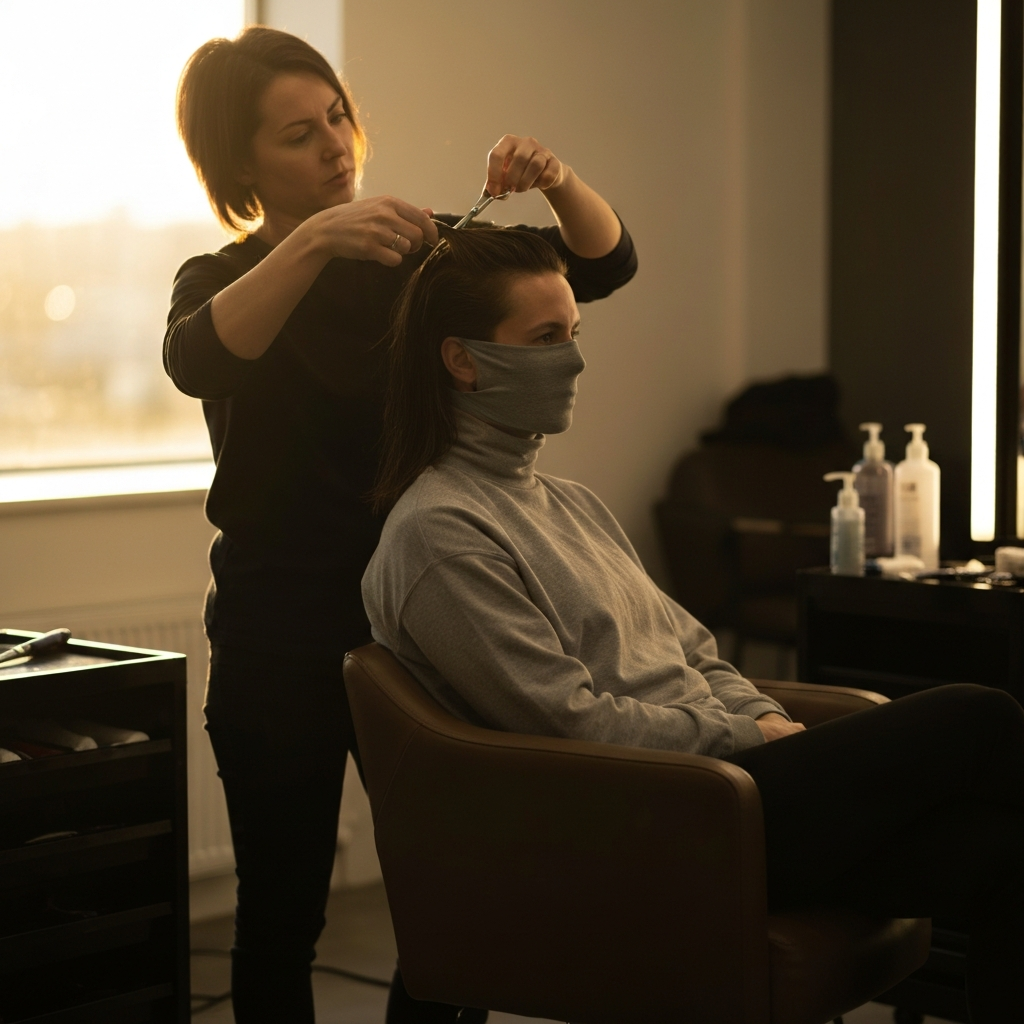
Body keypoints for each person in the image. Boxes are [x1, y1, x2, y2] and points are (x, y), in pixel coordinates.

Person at [361, 227, 1024, 1024]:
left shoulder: (571, 502)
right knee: (978, 716)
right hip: (657, 821)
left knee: (1003, 856)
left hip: (730, 791)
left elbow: (692, 650)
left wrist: (763, 717)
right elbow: (565, 723)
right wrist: (744, 743)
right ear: (462, 360)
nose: (573, 361)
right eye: (545, 339)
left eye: (576, 334)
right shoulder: (439, 532)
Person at [164, 26, 637, 1024]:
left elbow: (602, 263)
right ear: (240, 165)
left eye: (338, 115)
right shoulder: (220, 278)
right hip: (277, 633)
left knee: (454, 900)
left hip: (428, 616)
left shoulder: (424, 254)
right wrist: (317, 241)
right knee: (281, 913)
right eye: (299, 134)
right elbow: (199, 360)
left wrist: (555, 177)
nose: (336, 147)